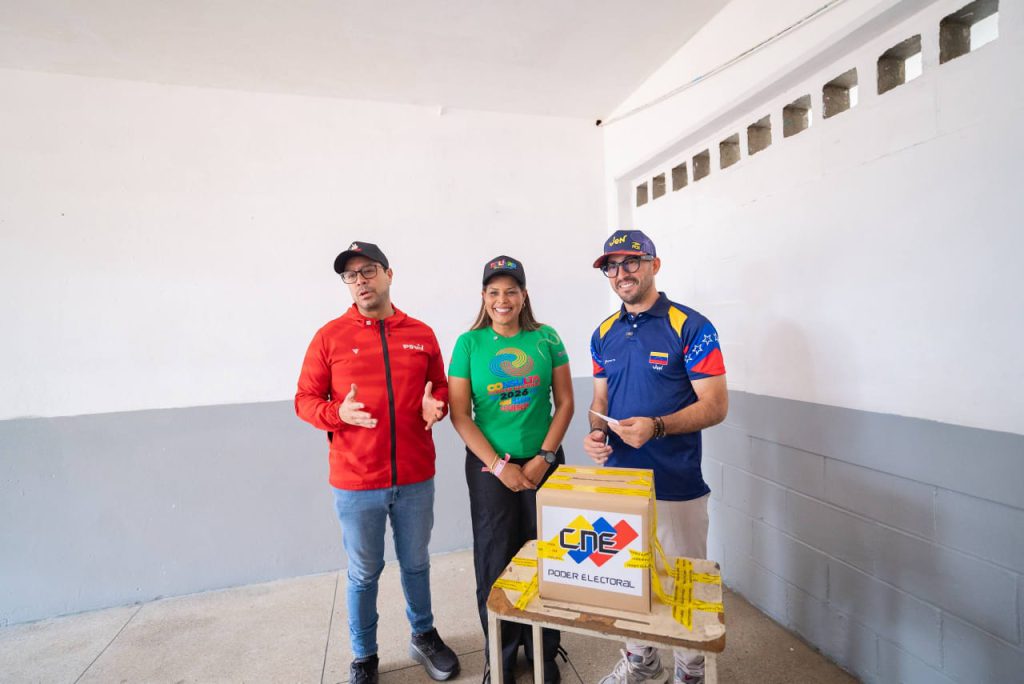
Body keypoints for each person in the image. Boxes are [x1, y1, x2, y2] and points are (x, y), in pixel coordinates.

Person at [295, 241, 460, 684]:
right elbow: (304, 400)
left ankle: (423, 635)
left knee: (416, 562)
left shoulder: (421, 333)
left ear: (389, 274)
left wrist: (437, 405)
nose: (360, 281)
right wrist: (337, 413)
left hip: (415, 477)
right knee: (364, 572)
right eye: (351, 276)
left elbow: (440, 387)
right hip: (356, 481)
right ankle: (364, 656)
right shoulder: (330, 337)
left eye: (368, 270)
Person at [582, 231, 728, 684]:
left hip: (676, 484)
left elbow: (716, 406)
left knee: (683, 588)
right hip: (620, 485)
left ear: (654, 265)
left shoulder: (691, 326)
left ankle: (691, 672)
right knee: (626, 581)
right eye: (612, 266)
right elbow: (600, 400)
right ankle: (642, 663)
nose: (621, 273)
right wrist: (595, 432)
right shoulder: (602, 333)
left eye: (631, 262)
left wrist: (657, 426)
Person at [448, 255, 574, 684]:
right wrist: (500, 467)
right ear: (484, 297)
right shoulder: (469, 344)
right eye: (494, 292)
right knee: (496, 559)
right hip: (490, 469)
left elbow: (565, 403)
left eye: (511, 291)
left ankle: (543, 652)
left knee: (549, 557)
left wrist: (544, 458)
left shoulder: (546, 337)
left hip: (545, 461)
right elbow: (460, 415)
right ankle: (499, 657)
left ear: (524, 296)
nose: (502, 299)